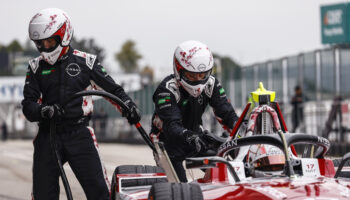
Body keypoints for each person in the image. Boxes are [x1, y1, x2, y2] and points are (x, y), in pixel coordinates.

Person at [22, 8, 140, 200]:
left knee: (100, 193)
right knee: (43, 195)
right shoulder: (35, 67)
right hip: (47, 135)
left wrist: (128, 106)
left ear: (64, 35)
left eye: (49, 41)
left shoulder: (87, 62)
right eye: (39, 43)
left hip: (79, 135)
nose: (44, 47)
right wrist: (44, 110)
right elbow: (28, 106)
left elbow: (114, 90)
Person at [150, 40, 239, 182]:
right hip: (166, 142)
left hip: (196, 136)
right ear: (179, 70)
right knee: (178, 188)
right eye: (192, 76)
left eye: (202, 75)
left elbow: (226, 113)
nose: (198, 80)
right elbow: (171, 126)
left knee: (227, 174)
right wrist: (188, 136)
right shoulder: (166, 90)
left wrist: (241, 129)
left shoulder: (211, 83)